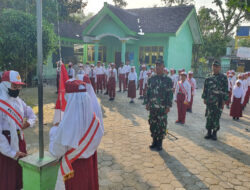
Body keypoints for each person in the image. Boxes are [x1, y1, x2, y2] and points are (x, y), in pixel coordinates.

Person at [49, 79, 103, 190]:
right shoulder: (95, 121)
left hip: (73, 167)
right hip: (89, 163)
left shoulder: (66, 125)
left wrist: (54, 131)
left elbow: (56, 152)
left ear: (70, 98)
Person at [0, 70, 37, 190]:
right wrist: (11, 152)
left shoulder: (18, 101)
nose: (17, 89)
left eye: (19, 86)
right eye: (14, 86)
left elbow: (32, 115)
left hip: (20, 140)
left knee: (19, 174)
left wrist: (27, 124)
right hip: (6, 145)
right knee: (8, 176)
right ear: (5, 85)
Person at [144, 60, 173, 151]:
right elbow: (147, 92)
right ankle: (154, 141)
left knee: (161, 125)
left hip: (162, 108)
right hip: (152, 107)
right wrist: (147, 103)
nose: (158, 68)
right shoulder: (151, 79)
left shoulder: (168, 80)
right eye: (156, 66)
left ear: (163, 67)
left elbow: (170, 94)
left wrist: (168, 106)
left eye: (160, 66)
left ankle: (160, 143)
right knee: (152, 123)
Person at [202, 61, 228, 140]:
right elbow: (205, 88)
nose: (214, 68)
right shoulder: (208, 77)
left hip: (219, 101)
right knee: (209, 116)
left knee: (216, 117)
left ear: (219, 68)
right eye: (213, 66)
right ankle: (209, 132)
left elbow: (226, 90)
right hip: (210, 100)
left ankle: (214, 133)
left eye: (216, 66)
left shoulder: (223, 77)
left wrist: (224, 100)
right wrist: (204, 98)